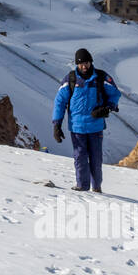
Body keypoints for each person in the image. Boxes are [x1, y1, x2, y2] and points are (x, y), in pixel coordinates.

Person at [51, 48, 121, 193]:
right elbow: (60, 102)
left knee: (96, 159)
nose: (84, 66)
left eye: (87, 63)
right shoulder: (70, 80)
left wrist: (108, 108)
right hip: (77, 128)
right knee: (80, 158)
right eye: (81, 64)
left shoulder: (101, 77)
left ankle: (96, 187)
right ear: (76, 64)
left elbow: (115, 93)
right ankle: (82, 186)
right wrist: (56, 124)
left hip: (95, 127)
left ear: (91, 62)